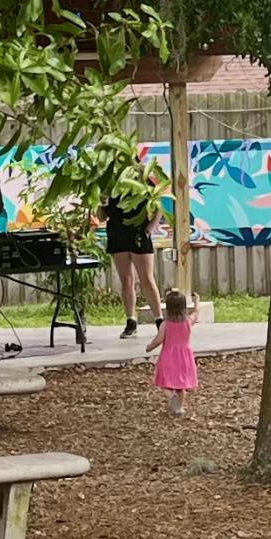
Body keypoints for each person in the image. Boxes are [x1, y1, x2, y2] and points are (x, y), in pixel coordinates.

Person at [101, 164, 165, 339]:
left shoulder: (142, 177)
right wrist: (101, 202)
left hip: (138, 231)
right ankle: (131, 321)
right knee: (126, 280)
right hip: (117, 232)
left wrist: (151, 226)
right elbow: (102, 216)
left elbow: (158, 203)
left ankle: (159, 320)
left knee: (147, 279)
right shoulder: (109, 183)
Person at [147, 289, 198, 415]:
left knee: (164, 381)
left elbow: (159, 340)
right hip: (185, 358)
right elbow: (196, 313)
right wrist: (197, 301)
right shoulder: (188, 321)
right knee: (181, 386)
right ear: (184, 308)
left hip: (168, 357)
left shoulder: (165, 325)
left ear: (167, 309)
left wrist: (150, 346)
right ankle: (179, 408)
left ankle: (170, 396)